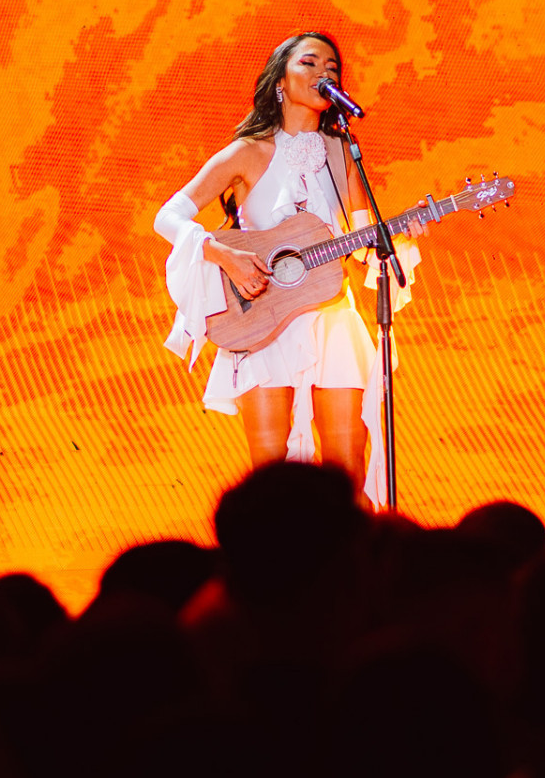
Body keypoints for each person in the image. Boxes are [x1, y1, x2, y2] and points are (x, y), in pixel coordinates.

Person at [153, 32, 422, 506]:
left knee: (347, 471)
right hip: (263, 317)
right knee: (272, 477)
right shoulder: (247, 152)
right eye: (310, 63)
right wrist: (225, 255)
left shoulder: (342, 151)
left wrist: (399, 234)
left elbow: (361, 242)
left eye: (332, 68)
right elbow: (168, 215)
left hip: (333, 319)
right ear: (280, 80)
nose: (324, 73)